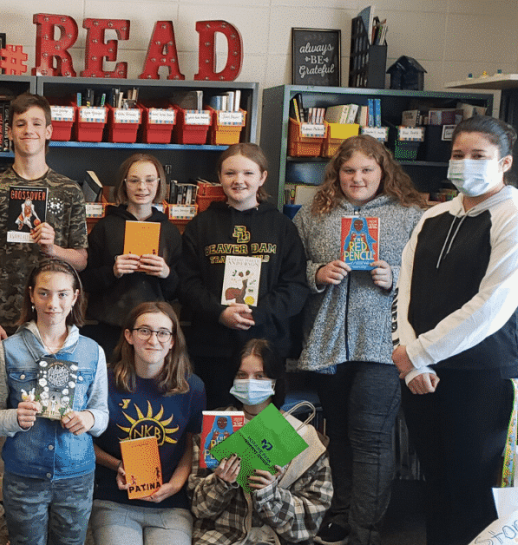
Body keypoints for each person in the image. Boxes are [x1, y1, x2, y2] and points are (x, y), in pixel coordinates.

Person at [290, 135, 425, 545]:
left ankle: (366, 529)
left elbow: (427, 279)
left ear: (383, 171)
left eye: (367, 169)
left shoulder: (410, 214)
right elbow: (292, 267)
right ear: (336, 173)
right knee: (342, 434)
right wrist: (317, 273)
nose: (357, 177)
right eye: (348, 170)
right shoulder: (314, 211)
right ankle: (343, 512)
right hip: (329, 342)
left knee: (371, 436)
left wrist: (394, 281)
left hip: (383, 345)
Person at [0, 92, 88, 537]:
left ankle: (53, 493)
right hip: (3, 319)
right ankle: (1, 499)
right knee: (3, 411)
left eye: (37, 123)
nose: (29, 131)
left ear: (49, 131)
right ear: (11, 131)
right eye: (20, 124)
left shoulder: (69, 191)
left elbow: (83, 259)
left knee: (58, 405)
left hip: (55, 319)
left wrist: (53, 248)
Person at [393, 115, 518, 545]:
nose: (466, 163)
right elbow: (404, 292)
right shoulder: (433, 217)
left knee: (474, 491)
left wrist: (420, 352)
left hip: (482, 376)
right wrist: (409, 360)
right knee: (436, 485)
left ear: (504, 163)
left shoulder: (512, 214)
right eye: (458, 155)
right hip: (423, 377)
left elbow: (494, 303)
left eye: (478, 156)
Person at [0, 257, 108, 545]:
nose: (53, 303)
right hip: (24, 475)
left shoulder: (92, 352)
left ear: (75, 297)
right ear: (31, 295)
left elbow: (101, 415)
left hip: (76, 476)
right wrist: (14, 418)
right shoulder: (8, 350)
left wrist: (88, 419)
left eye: (62, 294)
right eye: (44, 293)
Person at [178, 143, 308, 409]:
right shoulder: (201, 225)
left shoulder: (282, 227)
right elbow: (187, 283)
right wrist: (219, 312)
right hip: (213, 348)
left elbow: (295, 287)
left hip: (268, 348)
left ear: (262, 177)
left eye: (248, 173)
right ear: (220, 177)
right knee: (215, 428)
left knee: (264, 435)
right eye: (230, 173)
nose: (239, 180)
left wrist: (257, 313)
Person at [188, 339, 333, 544]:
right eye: (242, 375)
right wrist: (220, 483)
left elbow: (309, 522)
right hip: (221, 536)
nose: (250, 382)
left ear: (274, 381)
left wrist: (269, 494)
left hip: (276, 538)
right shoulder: (214, 428)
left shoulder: (305, 437)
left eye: (259, 376)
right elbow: (199, 509)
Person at [90, 302, 204, 545]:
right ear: (129, 336)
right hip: (114, 500)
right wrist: (117, 465)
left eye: (163, 332)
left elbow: (189, 448)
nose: (154, 339)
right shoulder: (103, 381)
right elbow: (84, 443)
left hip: (170, 505)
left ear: (172, 341)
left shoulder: (192, 387)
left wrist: (174, 486)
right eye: (145, 331)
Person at [81, 154, 181, 355]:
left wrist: (166, 273)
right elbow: (86, 281)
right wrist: (113, 271)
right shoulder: (106, 228)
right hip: (110, 328)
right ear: (124, 184)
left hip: (152, 330)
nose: (142, 187)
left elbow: (178, 290)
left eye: (149, 180)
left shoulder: (170, 232)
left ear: (159, 183)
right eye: (134, 180)